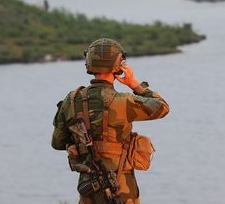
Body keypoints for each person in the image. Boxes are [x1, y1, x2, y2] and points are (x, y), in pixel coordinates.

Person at [52, 38, 170, 204]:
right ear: (118, 66)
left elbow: (57, 143)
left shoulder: (71, 100)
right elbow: (162, 107)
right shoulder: (123, 101)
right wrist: (134, 84)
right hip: (121, 190)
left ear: (89, 63)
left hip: (88, 189)